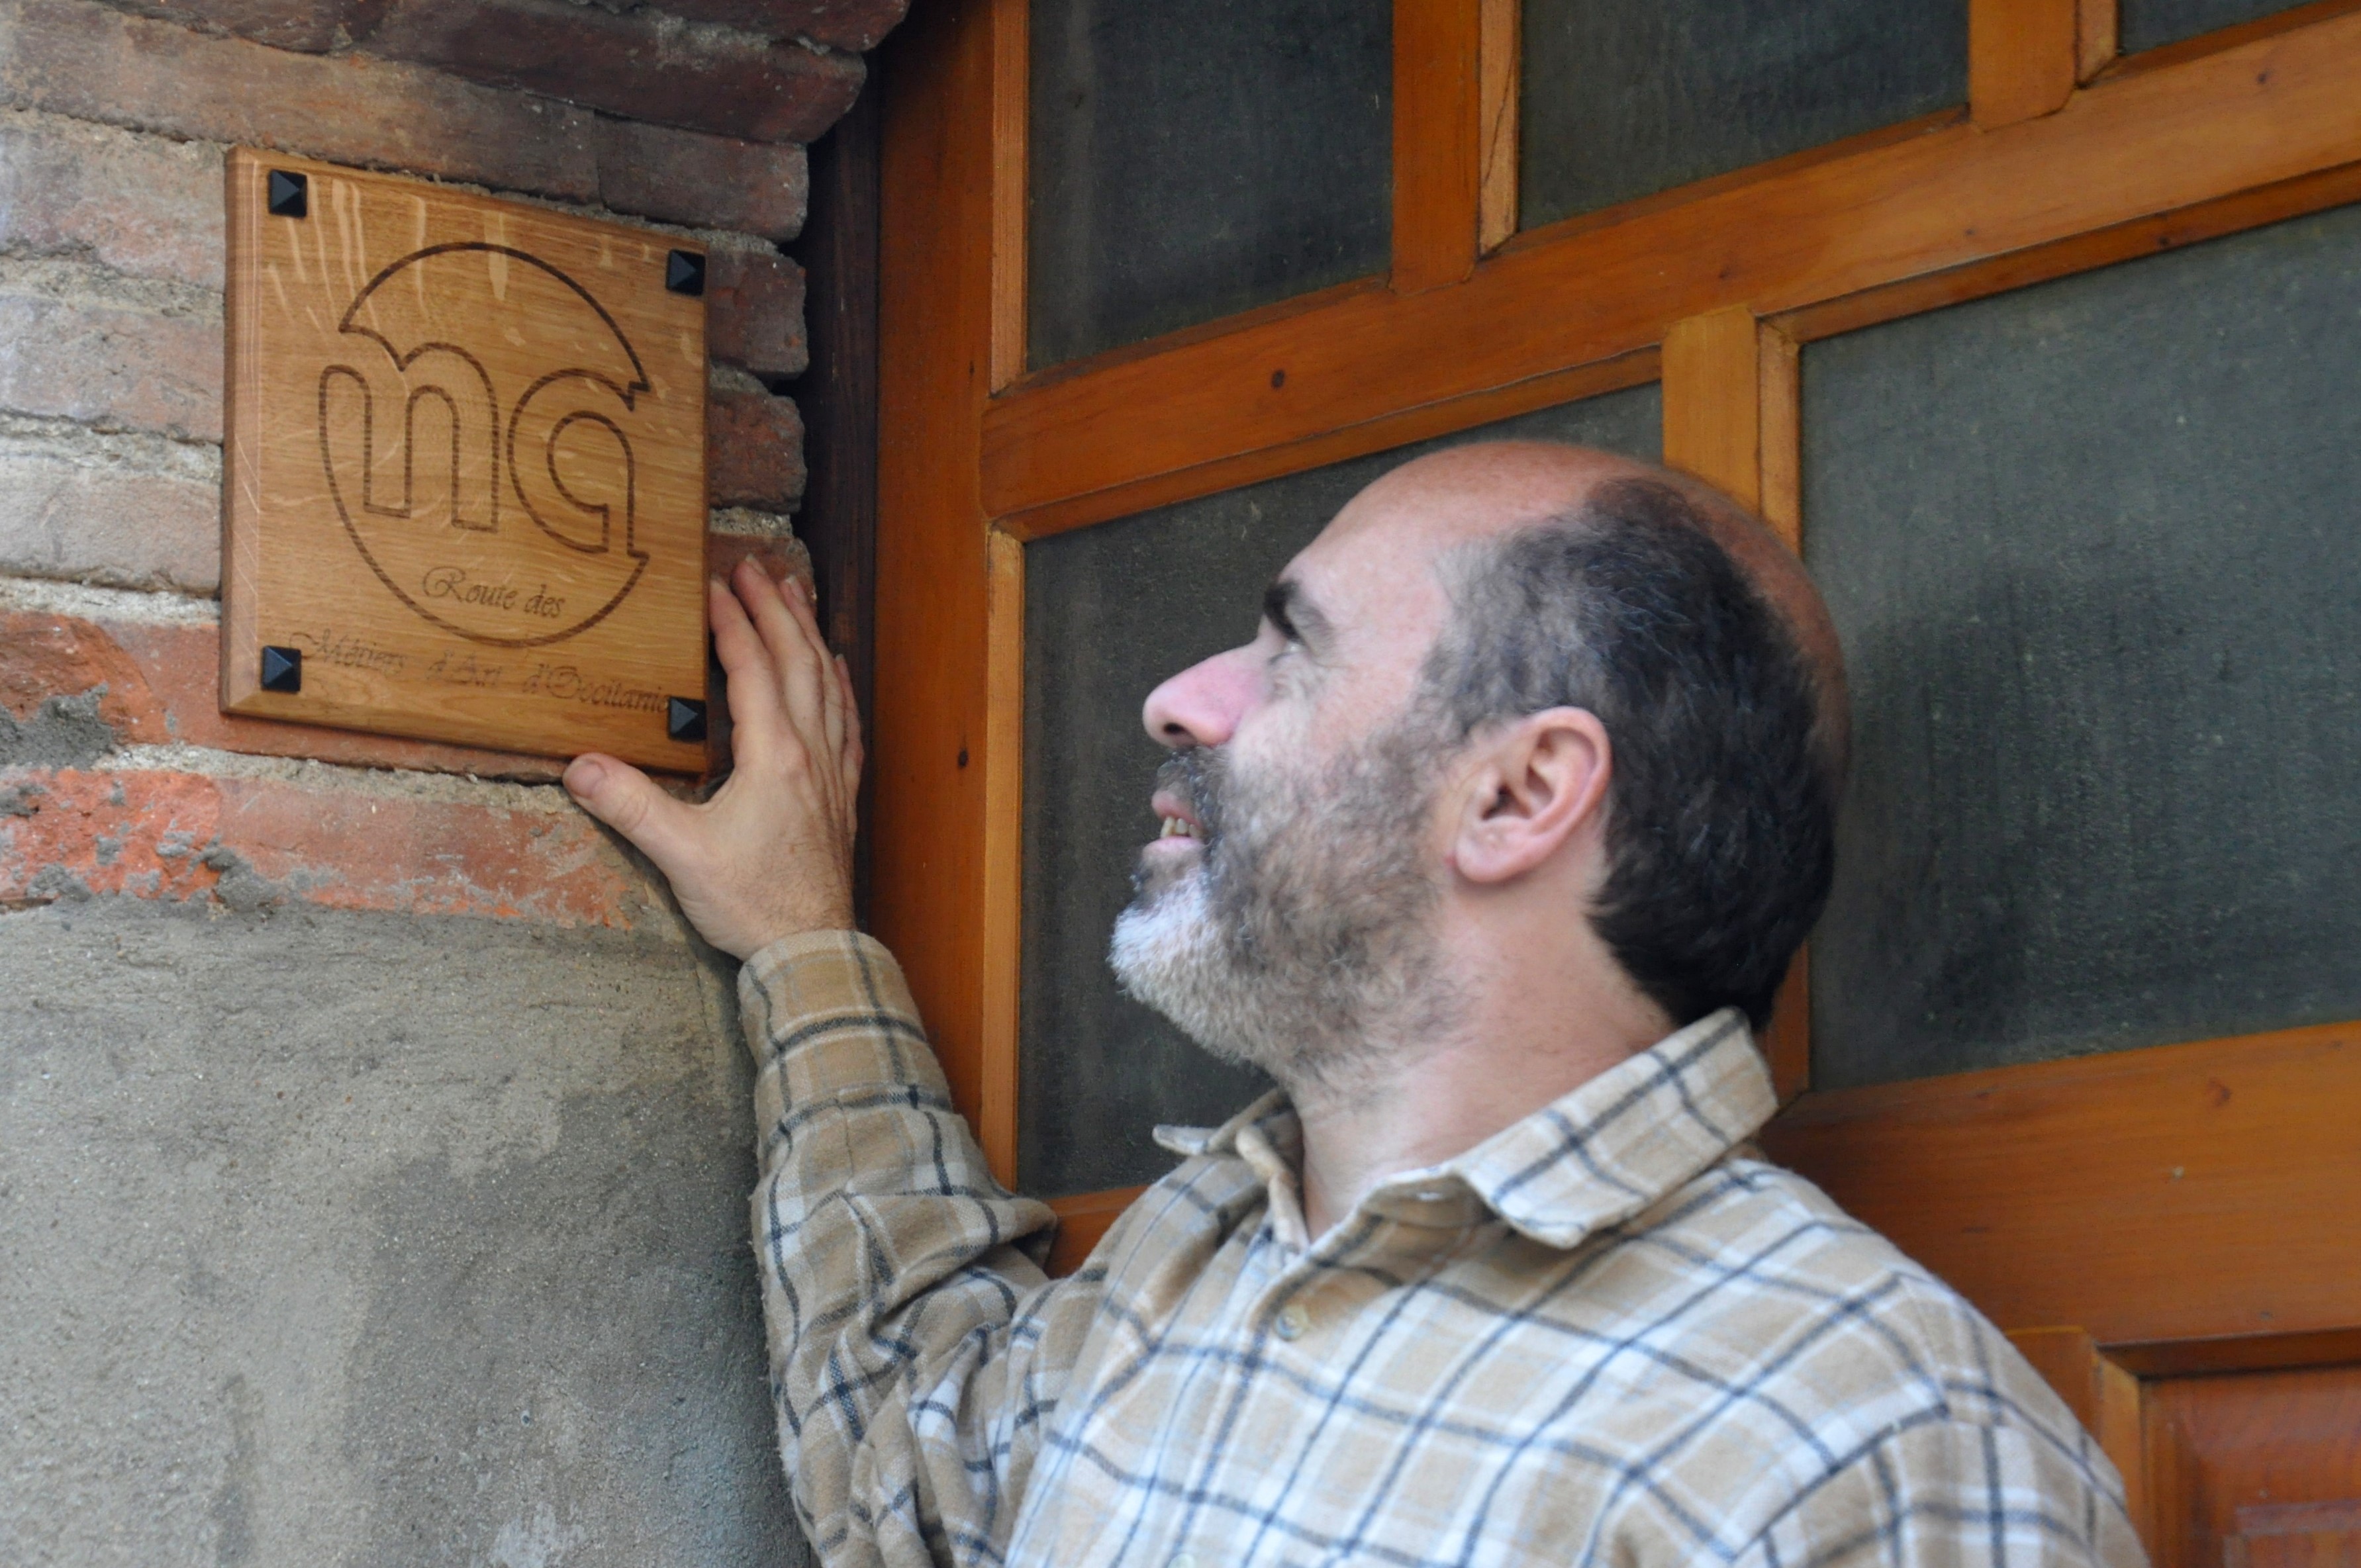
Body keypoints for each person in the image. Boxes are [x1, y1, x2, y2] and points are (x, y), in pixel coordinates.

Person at [561, 441, 2145, 1567]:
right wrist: (800, 941)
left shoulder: (1864, 1446)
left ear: (1522, 791)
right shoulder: (1211, 1261)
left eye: (1289, 651)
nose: (1180, 698)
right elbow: (919, 1471)